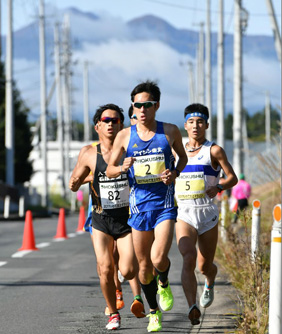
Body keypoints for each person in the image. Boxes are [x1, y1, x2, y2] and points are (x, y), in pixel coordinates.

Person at [106, 80, 187, 332]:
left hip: (163, 206)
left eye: (147, 105)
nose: (142, 109)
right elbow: (109, 169)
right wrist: (122, 167)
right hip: (139, 208)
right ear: (133, 107)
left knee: (158, 257)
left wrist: (174, 172)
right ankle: (154, 312)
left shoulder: (170, 131)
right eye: (137, 105)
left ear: (156, 106)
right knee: (143, 268)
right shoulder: (124, 135)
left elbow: (182, 158)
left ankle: (163, 281)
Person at [69, 103, 145, 331]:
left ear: (122, 124)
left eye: (115, 120)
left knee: (130, 269)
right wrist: (77, 181)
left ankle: (125, 286)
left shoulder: (132, 149)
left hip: (127, 219)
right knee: (104, 267)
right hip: (101, 218)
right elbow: (74, 183)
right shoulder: (89, 153)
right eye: (106, 120)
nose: (111, 123)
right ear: (97, 126)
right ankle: (113, 313)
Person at [174, 103, 238, 326]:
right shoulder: (177, 150)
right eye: (191, 122)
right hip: (184, 214)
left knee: (204, 266)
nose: (195, 126)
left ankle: (210, 279)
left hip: (207, 214)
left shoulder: (214, 150)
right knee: (188, 257)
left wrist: (219, 187)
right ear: (185, 125)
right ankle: (192, 306)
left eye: (200, 122)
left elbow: (232, 178)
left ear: (206, 125)